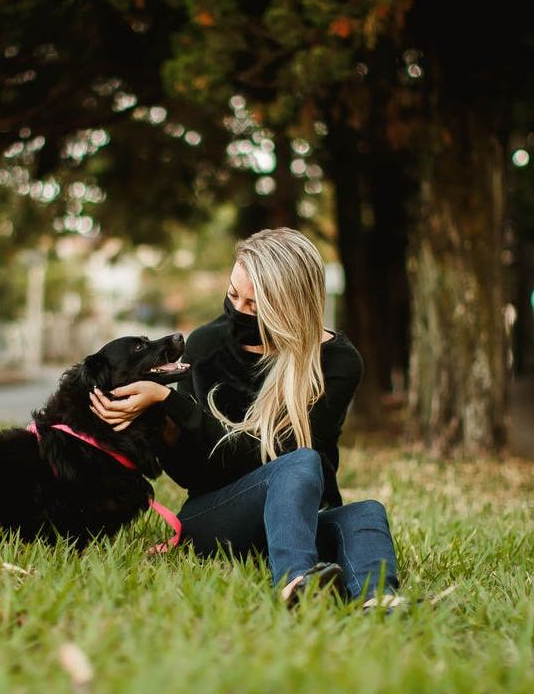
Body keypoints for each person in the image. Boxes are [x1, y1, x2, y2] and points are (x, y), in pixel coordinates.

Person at [90, 227, 400, 608]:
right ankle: (296, 583)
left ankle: (379, 602)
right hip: (218, 517)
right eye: (233, 294)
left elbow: (267, 455)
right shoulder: (206, 345)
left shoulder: (336, 363)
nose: (237, 310)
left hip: (297, 520)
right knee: (301, 462)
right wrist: (166, 412)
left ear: (289, 307)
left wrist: (174, 404)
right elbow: (196, 473)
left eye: (254, 305)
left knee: (366, 512)